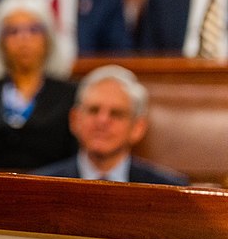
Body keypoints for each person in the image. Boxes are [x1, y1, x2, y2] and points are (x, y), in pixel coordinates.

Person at [0, 0, 78, 171]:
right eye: (13, 31)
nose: (23, 39)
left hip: (52, 185)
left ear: (48, 39)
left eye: (34, 30)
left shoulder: (69, 94)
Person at [32, 65, 189, 185]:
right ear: (75, 120)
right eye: (93, 110)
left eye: (116, 114)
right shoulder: (40, 186)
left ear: (137, 127)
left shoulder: (170, 190)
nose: (102, 121)